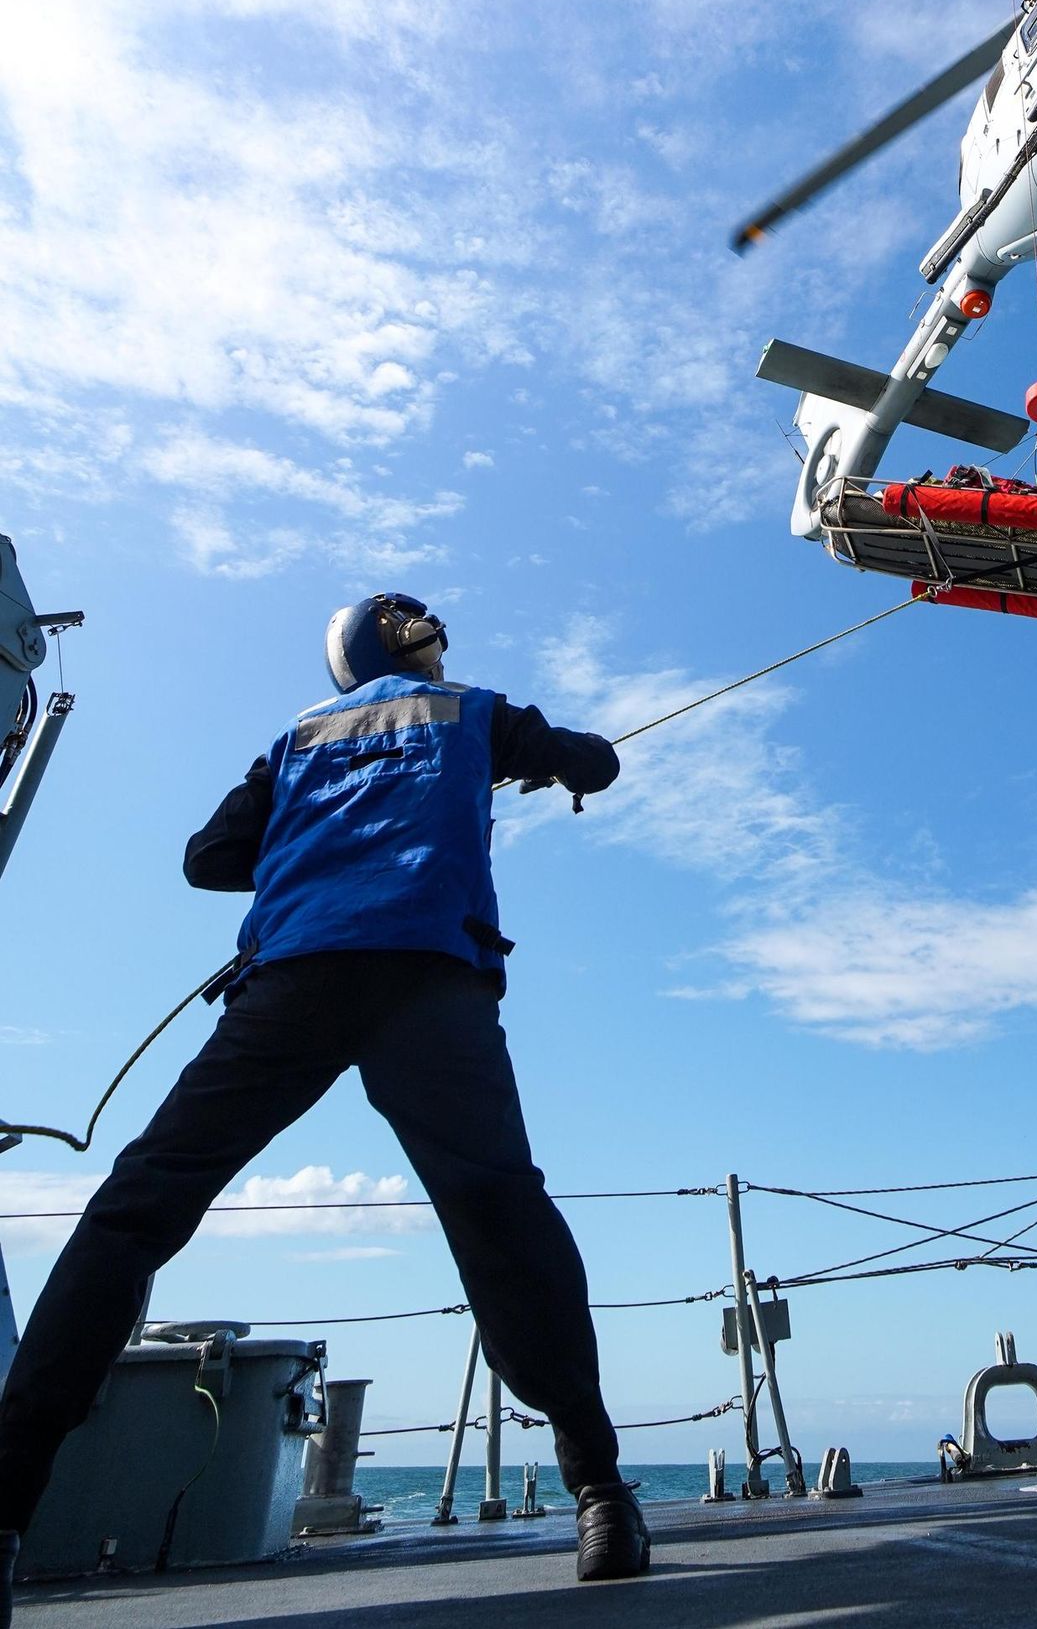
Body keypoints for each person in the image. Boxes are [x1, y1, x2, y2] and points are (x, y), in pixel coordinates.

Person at [0, 593, 649, 1607]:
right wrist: (537, 762)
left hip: (293, 986)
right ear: (406, 642)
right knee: (500, 1214)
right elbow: (596, 762)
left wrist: (321, 846)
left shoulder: (296, 736)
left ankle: (3, 1507)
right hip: (427, 981)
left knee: (137, 1208)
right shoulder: (470, 712)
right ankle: (602, 1493)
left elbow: (205, 859)